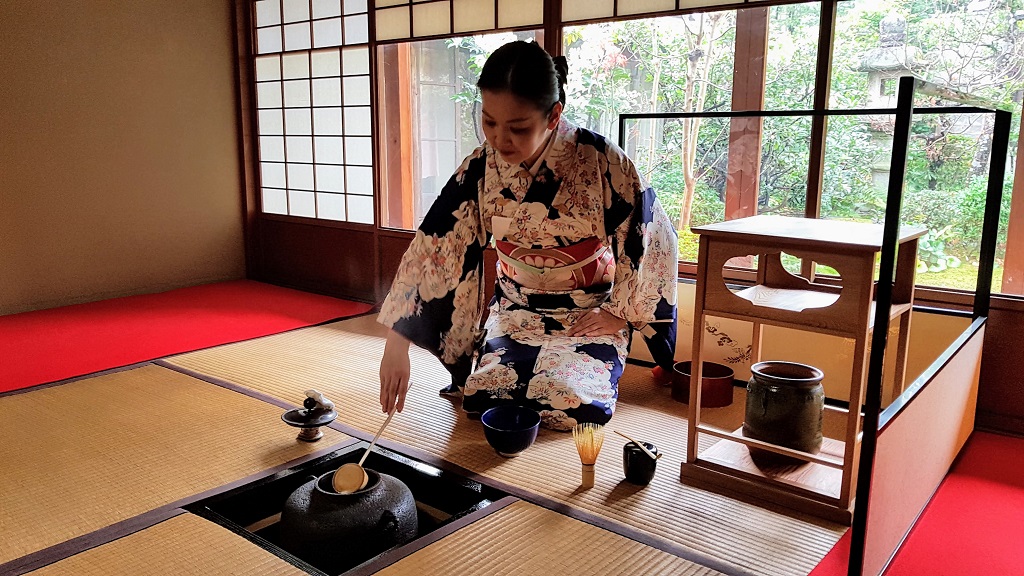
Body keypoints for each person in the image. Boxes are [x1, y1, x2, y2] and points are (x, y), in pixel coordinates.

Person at [377, 40, 678, 431]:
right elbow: (437, 245)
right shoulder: (481, 168)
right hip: (517, 309)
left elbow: (651, 239)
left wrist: (618, 312)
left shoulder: (604, 163)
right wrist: (397, 342)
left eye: (518, 128)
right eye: (489, 122)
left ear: (554, 115)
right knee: (485, 400)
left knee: (573, 408)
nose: (500, 140)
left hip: (585, 313)